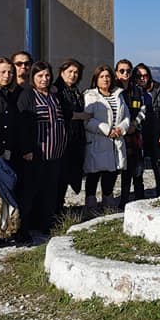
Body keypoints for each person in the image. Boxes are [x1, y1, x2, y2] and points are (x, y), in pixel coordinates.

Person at [17, 61, 67, 241]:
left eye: (47, 75)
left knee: (50, 191)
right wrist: (27, 149)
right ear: (33, 78)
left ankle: (46, 225)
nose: (44, 79)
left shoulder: (54, 95)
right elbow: (23, 125)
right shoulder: (28, 95)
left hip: (55, 154)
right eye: (40, 76)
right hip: (36, 154)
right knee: (31, 192)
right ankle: (23, 229)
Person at [83, 65, 130, 214]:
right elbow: (87, 120)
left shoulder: (118, 95)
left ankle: (108, 204)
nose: (105, 79)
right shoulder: (90, 96)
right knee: (94, 175)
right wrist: (106, 129)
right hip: (98, 141)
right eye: (102, 76)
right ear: (96, 79)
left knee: (111, 173)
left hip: (115, 142)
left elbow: (127, 116)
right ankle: (90, 206)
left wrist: (121, 129)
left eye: (108, 76)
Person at [53, 58, 89, 214]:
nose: (73, 75)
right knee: (59, 179)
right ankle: (55, 211)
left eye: (76, 73)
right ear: (62, 72)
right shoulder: (56, 90)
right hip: (62, 141)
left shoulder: (75, 90)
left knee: (70, 175)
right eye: (70, 72)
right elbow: (61, 113)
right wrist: (81, 115)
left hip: (75, 140)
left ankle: (60, 209)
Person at [134, 63, 160, 197]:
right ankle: (139, 195)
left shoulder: (157, 90)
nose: (142, 78)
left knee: (158, 164)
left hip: (155, 133)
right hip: (139, 134)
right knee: (138, 167)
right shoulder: (133, 92)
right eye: (139, 76)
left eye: (145, 75)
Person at [115, 58, 147, 206]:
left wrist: (135, 124)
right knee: (123, 170)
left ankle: (140, 200)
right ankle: (123, 201)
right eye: (122, 71)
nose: (125, 73)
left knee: (138, 169)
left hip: (135, 135)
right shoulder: (114, 91)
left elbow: (143, 109)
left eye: (128, 71)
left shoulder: (137, 90)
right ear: (116, 73)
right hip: (119, 135)